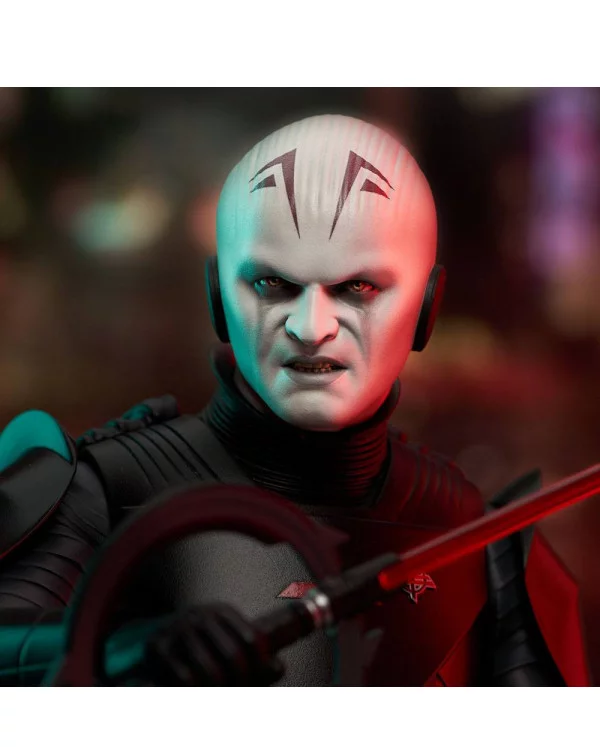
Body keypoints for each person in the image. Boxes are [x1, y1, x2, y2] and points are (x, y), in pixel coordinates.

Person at [0, 115, 561, 686]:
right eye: (273, 285)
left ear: (426, 305)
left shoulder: (475, 533)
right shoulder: (101, 491)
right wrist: (117, 655)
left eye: (357, 288)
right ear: (218, 295)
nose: (311, 328)